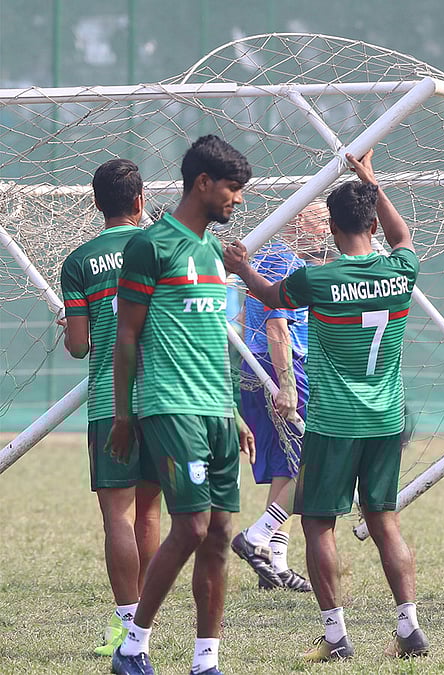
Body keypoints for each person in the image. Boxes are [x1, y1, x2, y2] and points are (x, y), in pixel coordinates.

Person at [225, 148, 429, 660]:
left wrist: (241, 267)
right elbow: (403, 236)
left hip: (334, 422)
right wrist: (372, 183)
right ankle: (409, 627)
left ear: (333, 228)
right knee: (384, 521)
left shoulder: (319, 278)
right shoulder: (402, 269)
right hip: (386, 419)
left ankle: (336, 636)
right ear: (372, 225)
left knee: (318, 523)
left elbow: (270, 297)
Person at [110, 135, 256, 675]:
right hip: (169, 407)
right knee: (192, 526)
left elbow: (212, 337)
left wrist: (233, 411)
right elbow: (127, 336)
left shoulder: (215, 254)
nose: (238, 199)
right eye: (232, 188)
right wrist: (124, 414)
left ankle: (205, 661)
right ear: (203, 183)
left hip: (217, 411)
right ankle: (132, 647)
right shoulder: (150, 247)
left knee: (219, 533)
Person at [59, 158, 162, 658]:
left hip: (111, 402)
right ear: (141, 201)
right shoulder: (164, 247)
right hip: (163, 400)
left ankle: (125, 627)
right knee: (149, 514)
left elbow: (80, 346)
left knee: (117, 516)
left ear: (97, 204)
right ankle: (144, 629)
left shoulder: (80, 261)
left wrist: (72, 329)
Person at [229, 205, 331, 594]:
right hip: (278, 368)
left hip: (261, 368)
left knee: (287, 469)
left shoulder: (275, 259)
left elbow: (243, 318)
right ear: (298, 221)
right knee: (308, 462)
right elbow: (276, 327)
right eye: (321, 221)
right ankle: (256, 538)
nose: (326, 230)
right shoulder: (281, 262)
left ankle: (275, 562)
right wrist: (286, 383)